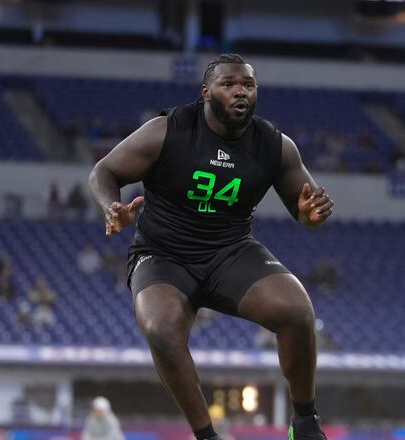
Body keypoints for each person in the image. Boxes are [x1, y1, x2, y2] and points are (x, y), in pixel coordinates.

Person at [88, 54, 333, 440]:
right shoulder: (166, 131)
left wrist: (311, 215)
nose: (240, 91)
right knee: (162, 329)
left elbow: (306, 214)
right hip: (162, 254)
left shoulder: (275, 145)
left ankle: (304, 422)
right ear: (206, 93)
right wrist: (111, 207)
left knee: (297, 310)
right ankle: (206, 435)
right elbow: (104, 171)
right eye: (229, 84)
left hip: (230, 251)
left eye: (248, 85)